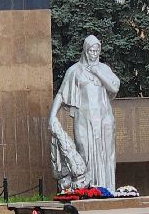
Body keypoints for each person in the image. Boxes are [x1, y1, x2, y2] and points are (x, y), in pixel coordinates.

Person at [49, 35, 120, 191]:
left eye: (96, 51)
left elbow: (114, 88)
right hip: (84, 119)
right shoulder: (74, 71)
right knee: (85, 153)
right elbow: (61, 94)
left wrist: (97, 72)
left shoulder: (104, 69)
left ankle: (107, 189)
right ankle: (89, 190)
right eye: (91, 51)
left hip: (104, 118)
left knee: (106, 155)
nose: (94, 54)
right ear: (85, 51)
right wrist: (52, 115)